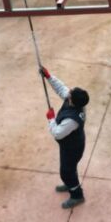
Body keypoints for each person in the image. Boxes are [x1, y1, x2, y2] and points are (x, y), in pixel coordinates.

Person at [39, 66, 89, 209]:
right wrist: (48, 77)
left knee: (66, 172)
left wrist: (51, 119)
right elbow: (61, 88)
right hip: (69, 144)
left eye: (71, 94)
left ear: (73, 101)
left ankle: (77, 195)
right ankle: (70, 183)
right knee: (69, 169)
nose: (69, 92)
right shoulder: (74, 100)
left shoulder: (72, 120)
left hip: (72, 148)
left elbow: (57, 133)